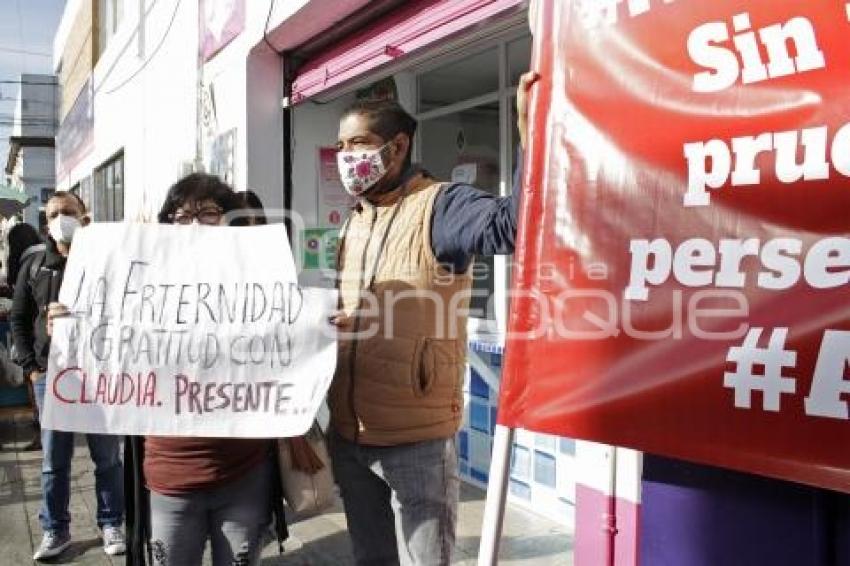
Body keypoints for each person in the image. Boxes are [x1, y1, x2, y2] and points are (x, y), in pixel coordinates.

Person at [327, 71, 539, 565]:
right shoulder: (357, 218)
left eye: (359, 143)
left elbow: (517, 226)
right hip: (349, 431)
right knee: (369, 558)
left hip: (414, 440)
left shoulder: (442, 205)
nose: (346, 157)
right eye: (340, 145)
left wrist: (529, 140)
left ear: (397, 146)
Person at [124, 173, 286, 566]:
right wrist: (70, 326)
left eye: (209, 213)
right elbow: (105, 343)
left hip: (243, 471)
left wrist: (323, 326)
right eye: (181, 215)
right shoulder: (137, 285)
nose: (194, 224)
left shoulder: (262, 283)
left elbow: (292, 343)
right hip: (169, 476)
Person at [10, 191, 126, 561]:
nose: (62, 219)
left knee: (106, 456)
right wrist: (31, 367)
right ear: (46, 222)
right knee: (53, 460)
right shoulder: (34, 265)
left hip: (97, 373)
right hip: (51, 376)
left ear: (84, 216)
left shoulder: (103, 261)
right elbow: (18, 319)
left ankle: (111, 522)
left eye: (69, 212)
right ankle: (54, 530)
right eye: (55, 213)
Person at [6, 221, 45, 451]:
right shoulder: (46, 255)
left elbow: (19, 312)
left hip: (33, 336)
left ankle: (41, 432)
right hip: (50, 335)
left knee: (36, 389)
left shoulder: (26, 262)